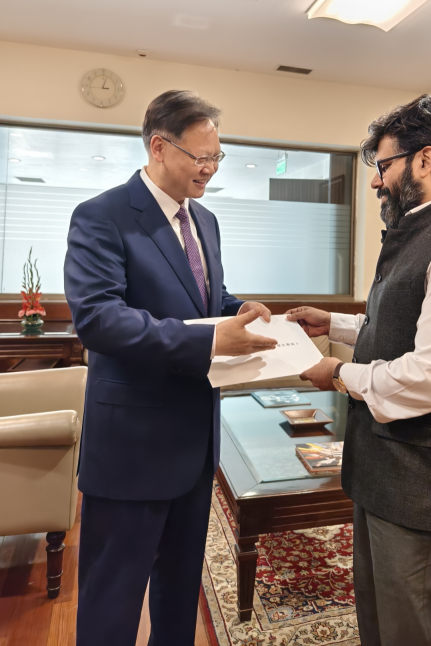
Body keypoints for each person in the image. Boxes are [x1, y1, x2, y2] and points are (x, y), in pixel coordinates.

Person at [287, 94, 431, 646]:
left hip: (429, 490)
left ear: (424, 160)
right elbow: (403, 322)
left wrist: (339, 375)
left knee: (416, 632)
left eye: (381, 166)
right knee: (381, 625)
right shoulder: (419, 230)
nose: (374, 182)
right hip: (386, 475)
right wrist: (337, 325)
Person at [65, 90, 277, 646]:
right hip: (131, 445)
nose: (209, 169)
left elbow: (209, 298)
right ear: (159, 147)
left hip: (194, 442)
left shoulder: (204, 220)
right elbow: (99, 319)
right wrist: (208, 344)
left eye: (217, 158)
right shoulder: (101, 215)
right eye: (199, 158)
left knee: (181, 594)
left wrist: (238, 310)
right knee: (113, 600)